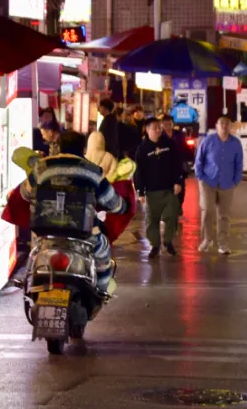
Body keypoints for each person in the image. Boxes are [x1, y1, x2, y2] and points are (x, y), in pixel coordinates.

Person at [16, 150, 130, 294]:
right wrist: (123, 206)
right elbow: (113, 203)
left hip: (46, 235)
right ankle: (101, 290)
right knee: (103, 251)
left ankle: (31, 285)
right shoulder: (93, 172)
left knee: (35, 255)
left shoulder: (41, 167)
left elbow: (25, 194)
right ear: (84, 150)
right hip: (85, 238)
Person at [134, 117, 184, 258]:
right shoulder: (142, 149)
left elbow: (177, 164)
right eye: (154, 128)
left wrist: (178, 181)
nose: (158, 130)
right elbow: (139, 172)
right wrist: (140, 191)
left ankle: (168, 242)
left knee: (171, 216)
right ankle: (155, 245)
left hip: (169, 189)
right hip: (151, 191)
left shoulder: (169, 144)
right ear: (147, 130)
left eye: (159, 127)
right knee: (152, 221)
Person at [194, 115, 243, 255]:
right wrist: (200, 176)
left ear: (231, 126)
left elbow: (239, 163)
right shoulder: (208, 141)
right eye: (221, 123)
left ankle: (223, 244)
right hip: (208, 181)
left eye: (227, 123)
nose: (224, 126)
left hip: (227, 183)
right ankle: (207, 239)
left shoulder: (236, 143)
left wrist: (236, 181)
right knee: (207, 210)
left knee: (224, 215)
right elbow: (199, 160)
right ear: (216, 126)